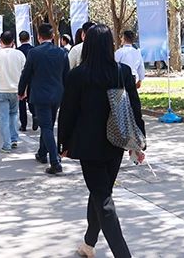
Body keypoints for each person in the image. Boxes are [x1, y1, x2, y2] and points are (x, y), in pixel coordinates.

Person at [59, 24, 144, 258]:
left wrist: (63, 143)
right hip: (116, 142)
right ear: (110, 46)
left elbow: (67, 112)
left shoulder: (78, 75)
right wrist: (139, 141)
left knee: (102, 197)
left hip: (88, 146)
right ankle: (88, 244)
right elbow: (135, 108)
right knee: (101, 192)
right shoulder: (122, 72)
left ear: (87, 45)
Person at [18, 23, 70, 175]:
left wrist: (21, 91)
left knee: (46, 127)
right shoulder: (62, 52)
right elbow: (66, 75)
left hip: (40, 95)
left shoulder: (34, 53)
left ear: (39, 36)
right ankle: (42, 153)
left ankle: (55, 161)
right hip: (57, 95)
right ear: (53, 36)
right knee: (48, 125)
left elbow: (26, 73)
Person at [0, 31, 26, 153]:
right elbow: (25, 72)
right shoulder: (20, 54)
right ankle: (14, 139)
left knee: (4, 117)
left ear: (0, 41)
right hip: (16, 89)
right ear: (13, 41)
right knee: (14, 114)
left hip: (1, 90)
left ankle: (6, 144)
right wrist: (25, 89)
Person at [16, 30, 36, 131]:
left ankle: (23, 124)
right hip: (33, 78)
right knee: (32, 100)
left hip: (21, 78)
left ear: (19, 39)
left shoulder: (17, 51)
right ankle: (35, 115)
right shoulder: (34, 50)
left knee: (21, 101)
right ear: (29, 38)